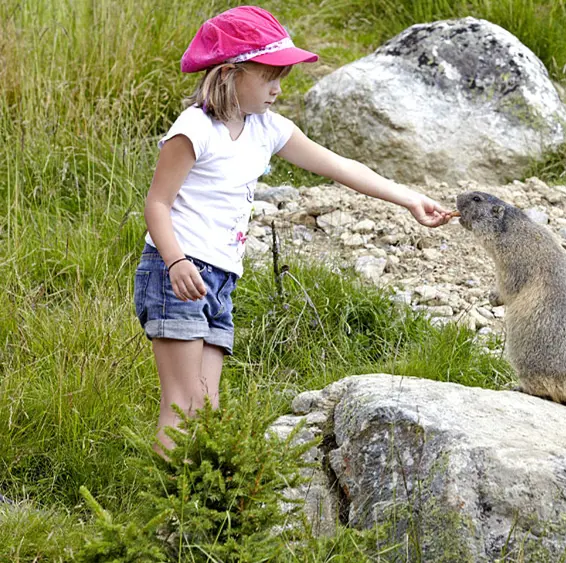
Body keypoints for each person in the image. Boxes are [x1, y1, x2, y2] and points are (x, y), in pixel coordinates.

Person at [134, 5, 453, 456]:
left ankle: (197, 512)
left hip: (220, 277)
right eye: (270, 78)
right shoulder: (194, 130)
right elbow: (157, 204)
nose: (279, 90)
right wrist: (176, 261)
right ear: (230, 74)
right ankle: (168, 513)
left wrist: (408, 198)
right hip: (176, 274)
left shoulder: (266, 128)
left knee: (207, 405)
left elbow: (339, 166)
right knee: (183, 404)